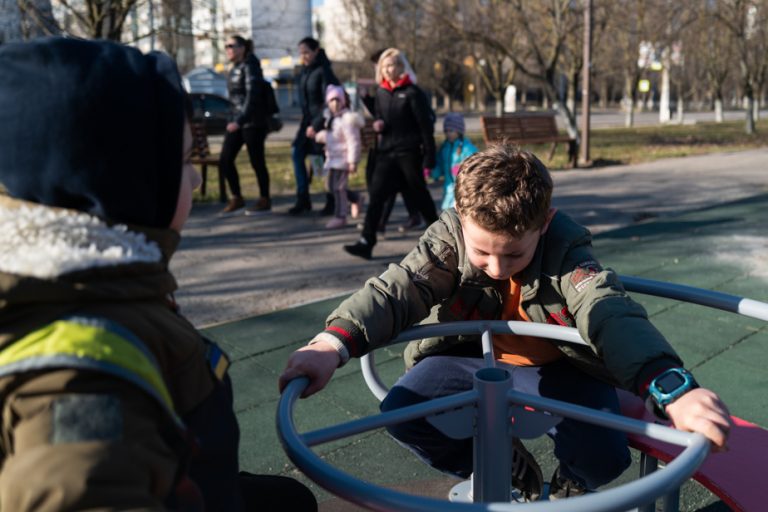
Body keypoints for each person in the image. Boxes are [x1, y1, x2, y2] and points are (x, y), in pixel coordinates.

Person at [279, 144, 731, 501]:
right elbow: (398, 289)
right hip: (465, 356)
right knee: (403, 411)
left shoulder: (565, 252)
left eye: (514, 253)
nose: (496, 267)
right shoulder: (450, 241)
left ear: (545, 223)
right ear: (461, 219)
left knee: (604, 457)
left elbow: (608, 311)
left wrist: (672, 389)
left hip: (558, 366)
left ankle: (572, 478)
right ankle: (491, 462)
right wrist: (330, 343)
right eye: (483, 252)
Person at [0, 37, 316, 512]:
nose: (192, 179)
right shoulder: (80, 377)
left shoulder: (93, 281)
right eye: (185, 162)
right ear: (120, 183)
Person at [344, 48, 439, 260]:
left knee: (420, 194)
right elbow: (381, 116)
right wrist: (379, 125)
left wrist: (429, 154)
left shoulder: (413, 93)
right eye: (384, 66)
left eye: (392, 65)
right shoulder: (381, 92)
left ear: (401, 67)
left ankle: (443, 239)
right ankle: (366, 241)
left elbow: (425, 126)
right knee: (376, 195)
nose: (388, 69)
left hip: (408, 153)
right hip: (386, 153)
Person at [218, 35, 273, 217]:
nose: (228, 49)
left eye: (231, 46)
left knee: (257, 161)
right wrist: (232, 119)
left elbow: (252, 97)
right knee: (225, 160)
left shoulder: (251, 66)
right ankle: (237, 198)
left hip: (252, 123)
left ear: (242, 48)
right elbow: (235, 99)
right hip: (236, 121)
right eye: (226, 46)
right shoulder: (234, 68)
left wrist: (239, 121)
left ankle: (264, 199)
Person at [290, 37, 340, 215]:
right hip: (307, 124)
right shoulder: (304, 72)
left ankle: (333, 200)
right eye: (301, 53)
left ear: (316, 51)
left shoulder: (324, 71)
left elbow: (330, 102)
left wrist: (317, 124)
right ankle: (303, 198)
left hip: (323, 125)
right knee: (296, 153)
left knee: (325, 163)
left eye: (306, 52)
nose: (303, 56)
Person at [315, 85, 365, 229]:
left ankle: (340, 216)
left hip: (343, 160)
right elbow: (333, 137)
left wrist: (352, 161)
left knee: (338, 188)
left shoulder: (347, 119)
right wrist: (319, 136)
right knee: (330, 186)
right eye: (331, 100)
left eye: (338, 100)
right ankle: (356, 198)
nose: (335, 103)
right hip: (332, 159)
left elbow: (353, 141)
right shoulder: (331, 119)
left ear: (343, 101)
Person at [430, 112, 478, 211]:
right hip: (448, 188)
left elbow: (475, 164)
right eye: (446, 130)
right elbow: (440, 164)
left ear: (459, 131)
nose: (448, 133)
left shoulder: (467, 148)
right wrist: (433, 171)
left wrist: (462, 170)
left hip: (463, 189)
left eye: (451, 130)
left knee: (459, 212)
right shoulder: (445, 147)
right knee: (447, 211)